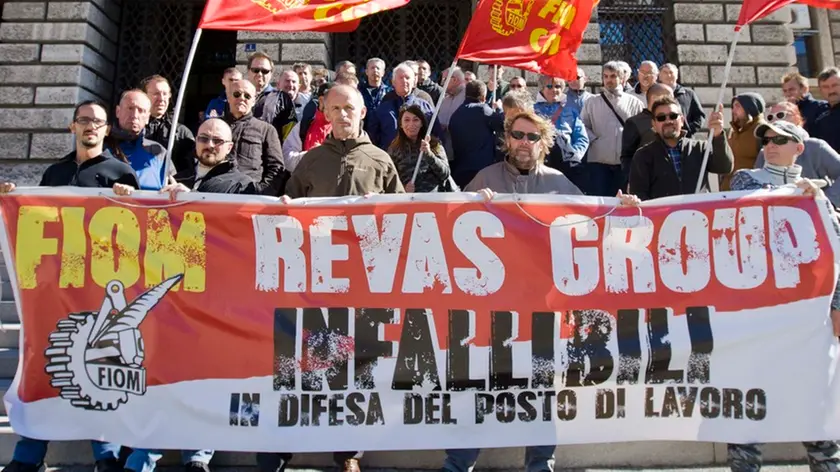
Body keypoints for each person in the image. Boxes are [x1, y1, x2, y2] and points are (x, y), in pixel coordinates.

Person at [0, 100, 136, 472]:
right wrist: (13, 199)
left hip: (100, 287)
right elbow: (35, 218)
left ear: (107, 130)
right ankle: (29, 454)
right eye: (84, 121)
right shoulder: (54, 172)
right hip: (56, 287)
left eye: (98, 122)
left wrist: (131, 200)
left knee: (101, 365)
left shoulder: (120, 172)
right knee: (46, 365)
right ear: (71, 127)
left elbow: (138, 230)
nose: (91, 126)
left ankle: (106, 455)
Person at [727, 119, 840, 472]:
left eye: (780, 140)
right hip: (757, 314)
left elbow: (835, 252)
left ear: (799, 148)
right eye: (766, 140)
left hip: (807, 318)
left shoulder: (816, 196)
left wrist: (837, 306)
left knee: (816, 403)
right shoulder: (746, 181)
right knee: (748, 402)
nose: (770, 145)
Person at [286, 84, 403, 196]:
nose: (342, 114)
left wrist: (378, 204)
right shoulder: (311, 160)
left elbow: (399, 209)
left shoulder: (380, 160)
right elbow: (289, 205)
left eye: (349, 108)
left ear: (362, 112)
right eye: (335, 108)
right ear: (327, 114)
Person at [629, 97, 733, 200]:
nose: (668, 121)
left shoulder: (699, 148)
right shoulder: (643, 156)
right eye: (661, 118)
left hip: (699, 213)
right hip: (663, 215)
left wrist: (718, 135)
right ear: (654, 125)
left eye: (673, 116)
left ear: (682, 120)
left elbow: (725, 167)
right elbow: (639, 195)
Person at [754, 102, 840, 208]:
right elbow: (755, 189)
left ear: (796, 118)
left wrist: (826, 202)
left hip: (816, 217)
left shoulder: (816, 146)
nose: (776, 120)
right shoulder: (765, 152)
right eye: (770, 117)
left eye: (781, 115)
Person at [581, 61, 645, 196]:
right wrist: (595, 140)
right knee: (599, 202)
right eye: (606, 76)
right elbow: (582, 125)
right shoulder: (591, 102)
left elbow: (641, 130)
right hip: (598, 162)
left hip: (625, 163)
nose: (609, 80)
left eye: (613, 76)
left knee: (623, 203)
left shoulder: (635, 103)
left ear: (622, 79)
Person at [224, 79, 288, 195]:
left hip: (250, 196)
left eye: (247, 96)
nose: (242, 98)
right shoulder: (216, 127)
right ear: (228, 97)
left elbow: (276, 167)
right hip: (216, 193)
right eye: (237, 94)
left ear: (254, 101)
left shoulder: (266, 130)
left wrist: (262, 192)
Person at [111, 89, 175, 190]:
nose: (135, 115)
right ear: (118, 111)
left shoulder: (159, 152)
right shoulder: (101, 147)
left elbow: (172, 188)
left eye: (141, 111)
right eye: (130, 108)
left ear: (147, 118)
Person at [368, 62, 442, 150]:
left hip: (419, 159)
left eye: (407, 78)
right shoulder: (383, 108)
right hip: (390, 158)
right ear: (393, 82)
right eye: (401, 78)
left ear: (414, 81)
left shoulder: (425, 106)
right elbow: (373, 136)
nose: (404, 81)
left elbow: (437, 136)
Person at [141, 74, 196, 180]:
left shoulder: (181, 132)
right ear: (144, 95)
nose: (161, 99)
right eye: (156, 94)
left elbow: (190, 168)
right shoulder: (136, 128)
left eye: (165, 94)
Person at [449, 80, 502, 188]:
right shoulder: (483, 110)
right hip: (482, 169)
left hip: (460, 169)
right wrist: (499, 109)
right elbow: (502, 125)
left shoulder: (456, 114)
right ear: (483, 97)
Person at [387, 104, 450, 192]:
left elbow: (445, 174)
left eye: (416, 120)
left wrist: (429, 154)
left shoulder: (434, 144)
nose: (411, 124)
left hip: (434, 199)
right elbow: (389, 180)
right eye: (406, 120)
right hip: (409, 201)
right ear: (401, 124)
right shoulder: (394, 148)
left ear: (421, 123)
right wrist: (402, 189)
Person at [621, 83, 674, 185]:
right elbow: (627, 157)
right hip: (647, 180)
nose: (673, 100)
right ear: (654, 98)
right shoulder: (635, 123)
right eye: (669, 96)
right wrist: (631, 181)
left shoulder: (675, 119)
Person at [246, 52, 297, 142]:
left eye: (265, 71)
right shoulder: (237, 96)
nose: (260, 74)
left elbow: (290, 136)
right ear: (248, 71)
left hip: (269, 152)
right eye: (255, 70)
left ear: (271, 74)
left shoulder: (283, 99)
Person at [721, 92, 765, 190]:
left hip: (750, 192)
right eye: (733, 107)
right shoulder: (731, 132)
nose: (733, 110)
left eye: (738, 106)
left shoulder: (761, 131)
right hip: (728, 193)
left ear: (750, 107)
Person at [658, 63, 705, 137]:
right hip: (662, 140)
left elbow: (699, 117)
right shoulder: (655, 95)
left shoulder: (689, 94)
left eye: (671, 72)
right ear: (660, 76)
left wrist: (688, 130)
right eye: (665, 72)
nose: (669, 75)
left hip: (686, 139)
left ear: (676, 76)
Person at [811, 67, 840, 153]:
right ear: (820, 90)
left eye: (835, 85)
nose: (831, 90)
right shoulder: (819, 117)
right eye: (825, 87)